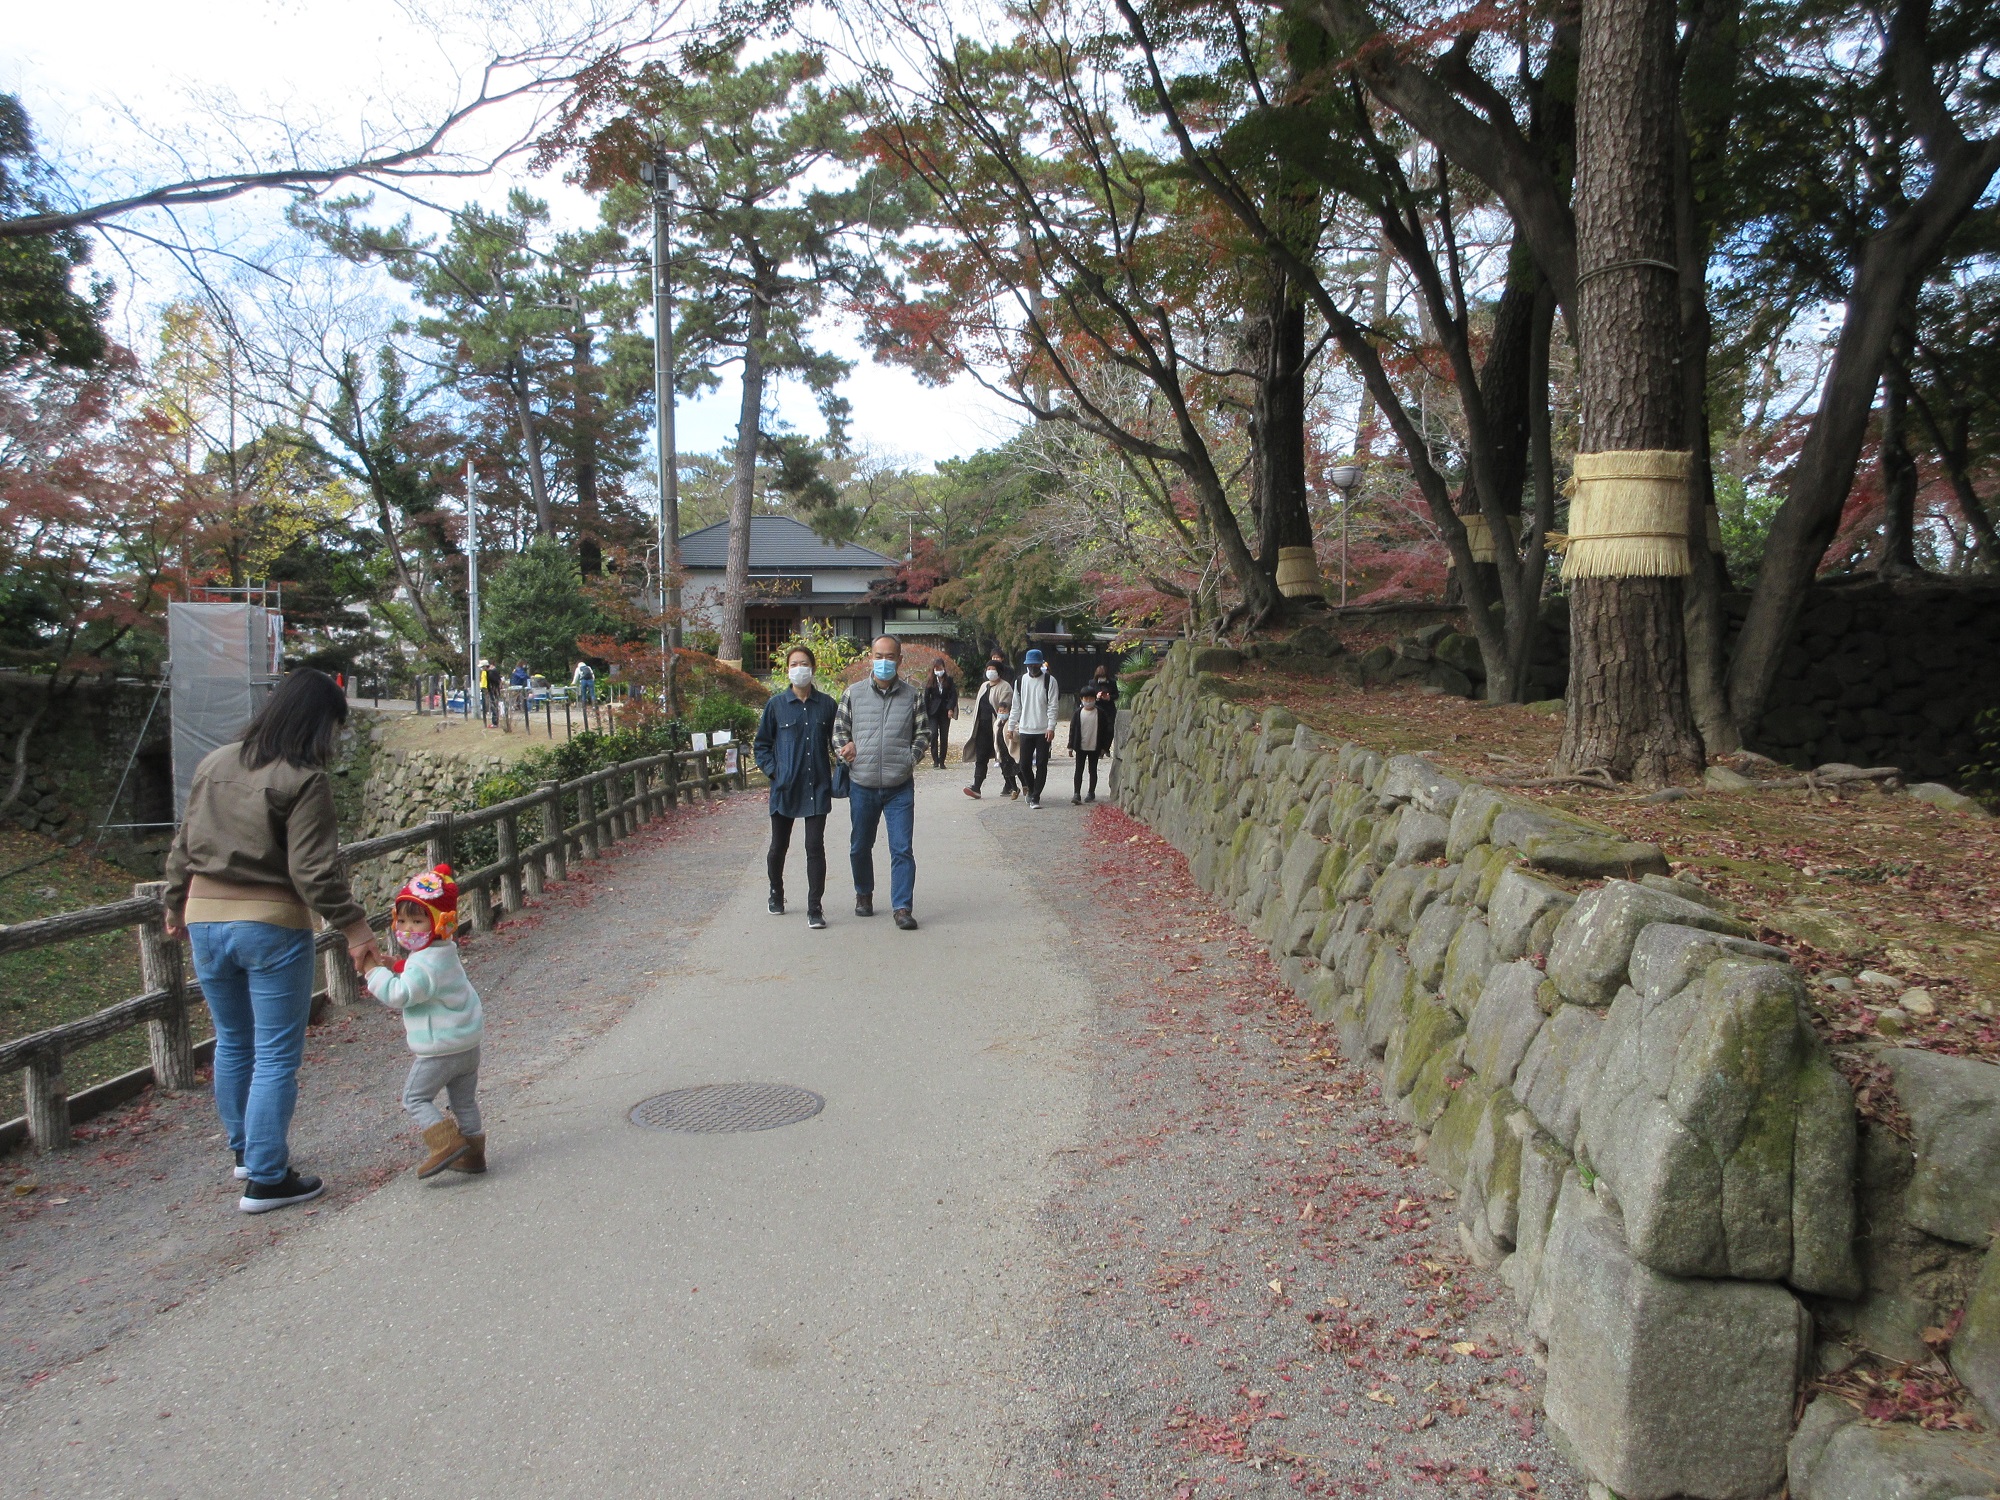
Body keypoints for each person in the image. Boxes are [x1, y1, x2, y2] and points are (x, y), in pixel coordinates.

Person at [162, 669, 386, 1214]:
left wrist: (173, 902)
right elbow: (314, 872)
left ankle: (246, 1152)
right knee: (275, 1055)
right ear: (318, 723)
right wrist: (356, 926)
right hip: (270, 923)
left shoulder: (215, 762)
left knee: (233, 1042)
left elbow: (183, 843)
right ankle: (266, 1179)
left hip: (205, 920)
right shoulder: (303, 779)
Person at [365, 864, 487, 1178]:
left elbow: (400, 994)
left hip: (439, 1050)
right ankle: (473, 1155)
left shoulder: (421, 965)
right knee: (463, 1102)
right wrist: (401, 965)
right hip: (466, 1046)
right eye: (401, 920)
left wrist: (374, 972)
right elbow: (430, 978)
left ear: (438, 923)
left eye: (418, 921)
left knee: (415, 1097)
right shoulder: (445, 951)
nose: (407, 928)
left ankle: (445, 1143)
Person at [833, 635, 927, 930]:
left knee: (902, 848)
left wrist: (909, 759)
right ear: (869, 658)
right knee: (860, 845)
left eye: (890, 656)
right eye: (878, 655)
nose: (883, 661)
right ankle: (864, 894)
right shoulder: (853, 694)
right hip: (862, 783)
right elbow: (839, 731)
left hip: (899, 786)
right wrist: (844, 748)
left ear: (900, 660)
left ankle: (902, 907)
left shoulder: (913, 696)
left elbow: (923, 734)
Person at [753, 644, 837, 929]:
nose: (799, 668)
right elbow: (761, 745)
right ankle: (776, 891)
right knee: (779, 846)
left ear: (813, 668)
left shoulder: (827, 705)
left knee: (815, 847)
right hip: (785, 787)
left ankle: (815, 907)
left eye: (804, 663)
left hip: (817, 785)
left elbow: (837, 741)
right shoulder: (775, 705)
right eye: (794, 664)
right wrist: (774, 772)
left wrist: (845, 763)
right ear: (787, 670)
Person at [1011, 648, 1061, 811]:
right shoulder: (1020, 681)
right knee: (1024, 764)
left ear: (1041, 664)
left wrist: (1051, 727)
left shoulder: (1050, 681)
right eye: (1030, 664)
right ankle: (1031, 790)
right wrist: (1011, 726)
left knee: (1041, 763)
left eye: (1035, 664)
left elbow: (1053, 705)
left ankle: (1036, 796)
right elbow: (1015, 706)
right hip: (1025, 729)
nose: (1033, 667)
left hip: (1043, 729)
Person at [963, 659, 1016, 800]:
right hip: (982, 727)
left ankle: (1011, 784)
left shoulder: (1005, 687)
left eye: (993, 668)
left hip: (997, 728)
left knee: (1004, 757)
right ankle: (976, 786)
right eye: (988, 668)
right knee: (981, 757)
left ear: (999, 671)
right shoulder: (984, 686)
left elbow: (1005, 708)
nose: (990, 671)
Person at [1069, 668, 1117, 804]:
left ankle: (1091, 792)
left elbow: (1107, 731)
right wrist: (1070, 746)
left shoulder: (1100, 713)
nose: (1088, 701)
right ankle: (1076, 793)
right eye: (1086, 699)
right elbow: (1072, 730)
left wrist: (1105, 747)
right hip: (1081, 745)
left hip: (1095, 746)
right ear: (1081, 699)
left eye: (1090, 699)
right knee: (1078, 770)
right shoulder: (1077, 713)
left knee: (1092, 770)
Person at [921, 660, 959, 769]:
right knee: (933, 735)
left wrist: (950, 708)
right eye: (936, 668)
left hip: (945, 711)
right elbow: (926, 697)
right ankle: (935, 760)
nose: (938, 671)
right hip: (933, 712)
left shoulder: (949, 680)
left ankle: (942, 760)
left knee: (944, 736)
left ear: (944, 668)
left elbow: (953, 695)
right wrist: (926, 711)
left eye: (940, 668)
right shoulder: (930, 680)